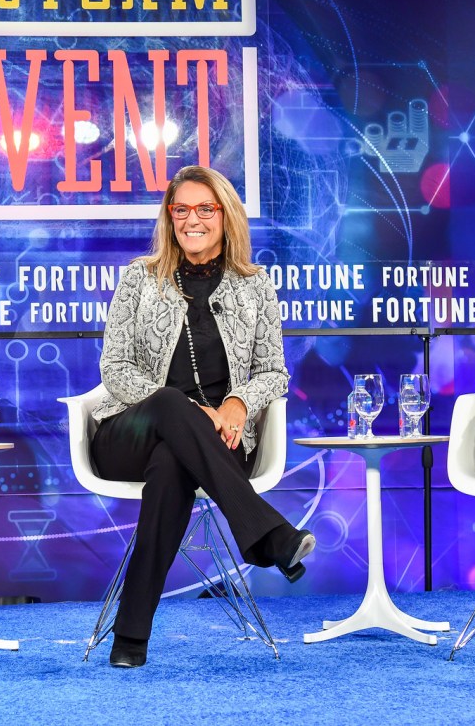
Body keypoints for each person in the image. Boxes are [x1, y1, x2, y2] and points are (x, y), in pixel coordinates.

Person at [91, 164, 313, 669]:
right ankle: (268, 534)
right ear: (169, 218)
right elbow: (115, 368)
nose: (192, 219)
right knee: (170, 404)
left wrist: (237, 403)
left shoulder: (255, 287)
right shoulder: (138, 279)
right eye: (181, 209)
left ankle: (131, 637)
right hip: (131, 430)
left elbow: (274, 372)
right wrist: (192, 410)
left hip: (217, 443)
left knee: (173, 466)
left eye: (204, 209)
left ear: (226, 215)